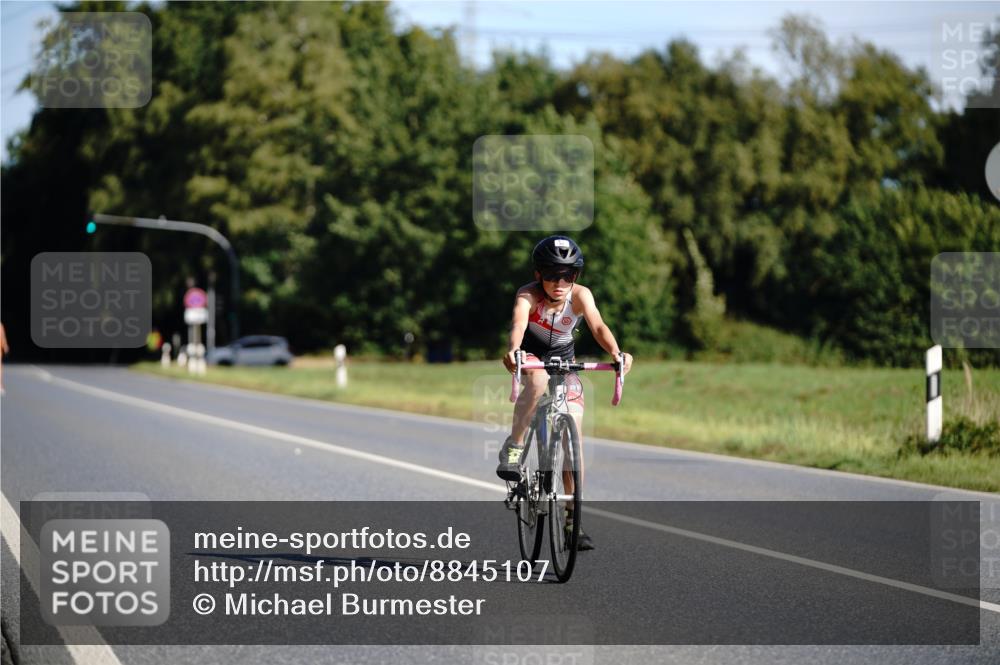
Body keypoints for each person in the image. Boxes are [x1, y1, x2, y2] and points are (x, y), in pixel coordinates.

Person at [497, 235, 633, 551]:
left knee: (574, 433)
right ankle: (514, 447)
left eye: (568, 275)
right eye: (552, 274)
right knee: (539, 380)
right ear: (538, 275)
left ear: (576, 276)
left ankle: (572, 517)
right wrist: (514, 350)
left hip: (565, 364)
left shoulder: (580, 296)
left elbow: (598, 326)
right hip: (530, 359)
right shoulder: (527, 295)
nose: (560, 282)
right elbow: (518, 324)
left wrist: (616, 352)